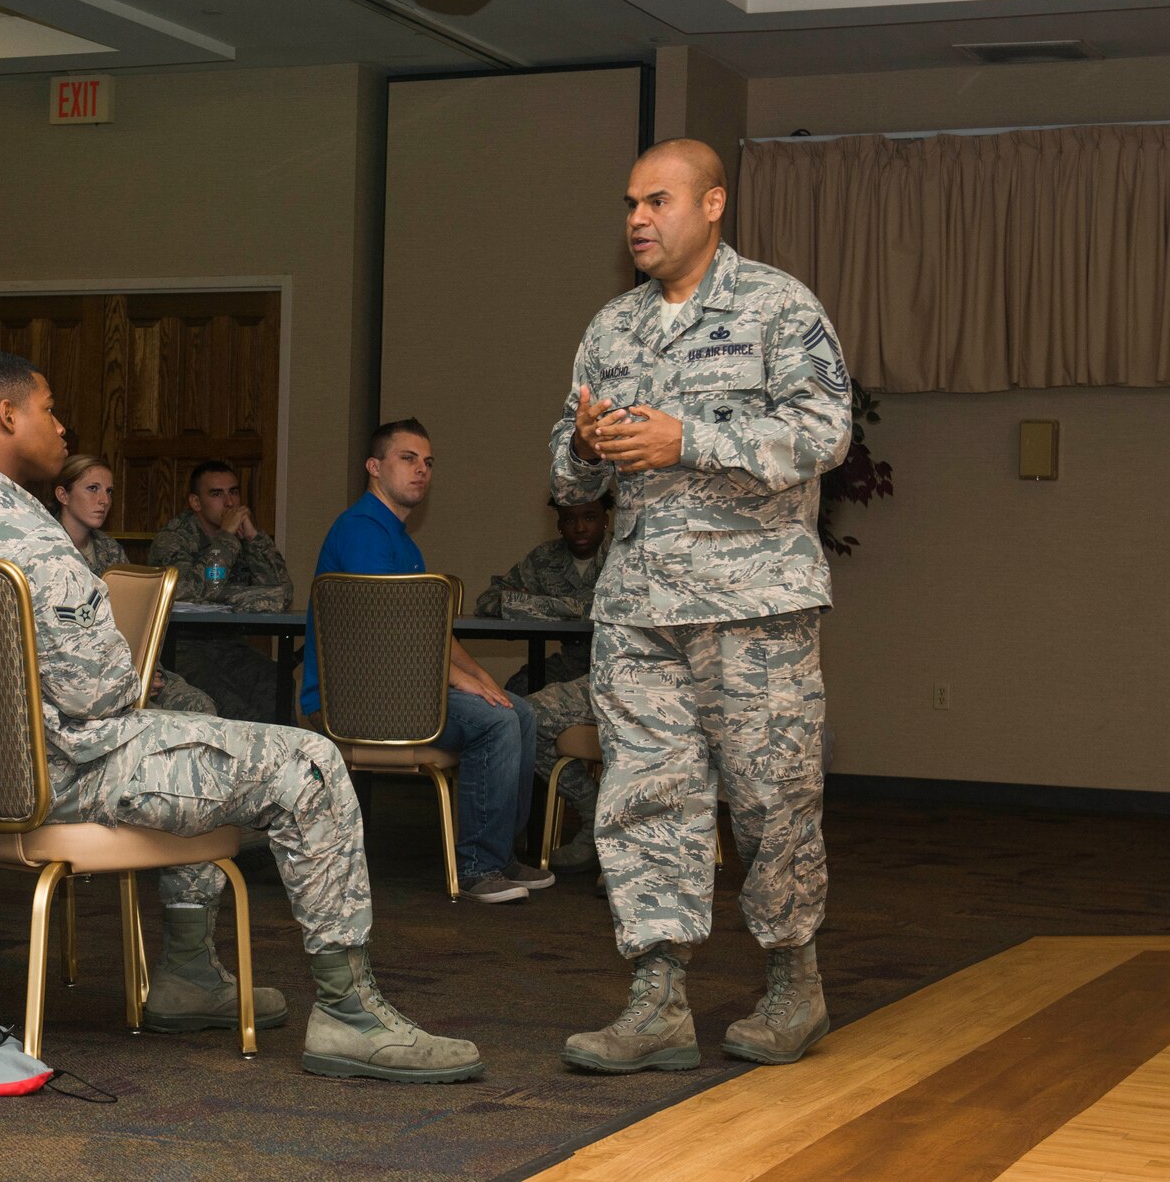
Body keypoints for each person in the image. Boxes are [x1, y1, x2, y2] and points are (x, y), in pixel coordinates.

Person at [0, 351, 483, 1082]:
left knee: (201, 739)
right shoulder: (24, 537)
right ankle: (347, 1014)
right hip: (76, 767)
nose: (62, 424)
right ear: (7, 416)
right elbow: (99, 694)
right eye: (48, 407)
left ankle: (191, 975)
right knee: (309, 763)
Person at [550, 139, 850, 1074]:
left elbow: (824, 431)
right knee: (644, 799)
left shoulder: (776, 305)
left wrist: (693, 439)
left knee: (772, 800)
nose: (638, 218)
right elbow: (565, 462)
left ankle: (794, 984)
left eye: (659, 200)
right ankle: (657, 998)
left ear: (712, 204)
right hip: (639, 609)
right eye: (630, 202)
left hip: (752, 609)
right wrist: (588, 448)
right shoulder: (611, 327)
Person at [299, 419, 552, 905]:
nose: (421, 470)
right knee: (495, 723)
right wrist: (460, 683)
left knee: (517, 710)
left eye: (428, 462)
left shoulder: (401, 540)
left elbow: (433, 631)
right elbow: (388, 631)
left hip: (399, 692)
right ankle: (477, 866)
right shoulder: (361, 530)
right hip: (358, 702)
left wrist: (481, 678)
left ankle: (498, 854)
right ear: (375, 467)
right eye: (407, 459)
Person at [478, 494, 611, 871]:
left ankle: (591, 811)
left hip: (613, 670)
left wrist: (542, 605)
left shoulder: (624, 553)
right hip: (569, 665)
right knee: (504, 703)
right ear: (559, 524)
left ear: (606, 518)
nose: (580, 527)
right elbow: (490, 600)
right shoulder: (545, 559)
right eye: (570, 520)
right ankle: (510, 827)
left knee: (528, 715)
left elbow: (596, 610)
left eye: (589, 517)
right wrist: (570, 607)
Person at [52, 453, 217, 717]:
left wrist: (147, 667)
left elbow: (138, 621)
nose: (104, 500)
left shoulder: (110, 551)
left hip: (133, 667)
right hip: (83, 679)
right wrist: (126, 677)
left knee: (199, 706)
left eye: (109, 491)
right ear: (63, 495)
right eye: (92, 489)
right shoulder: (47, 549)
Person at [147, 462, 292, 722]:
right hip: (182, 646)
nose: (229, 502)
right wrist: (225, 537)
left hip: (229, 644)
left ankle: (290, 761)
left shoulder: (244, 538)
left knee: (275, 684)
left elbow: (280, 592)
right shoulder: (174, 538)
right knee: (229, 702)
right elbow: (193, 591)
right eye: (217, 494)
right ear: (196, 502)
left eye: (233, 493)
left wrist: (254, 538)